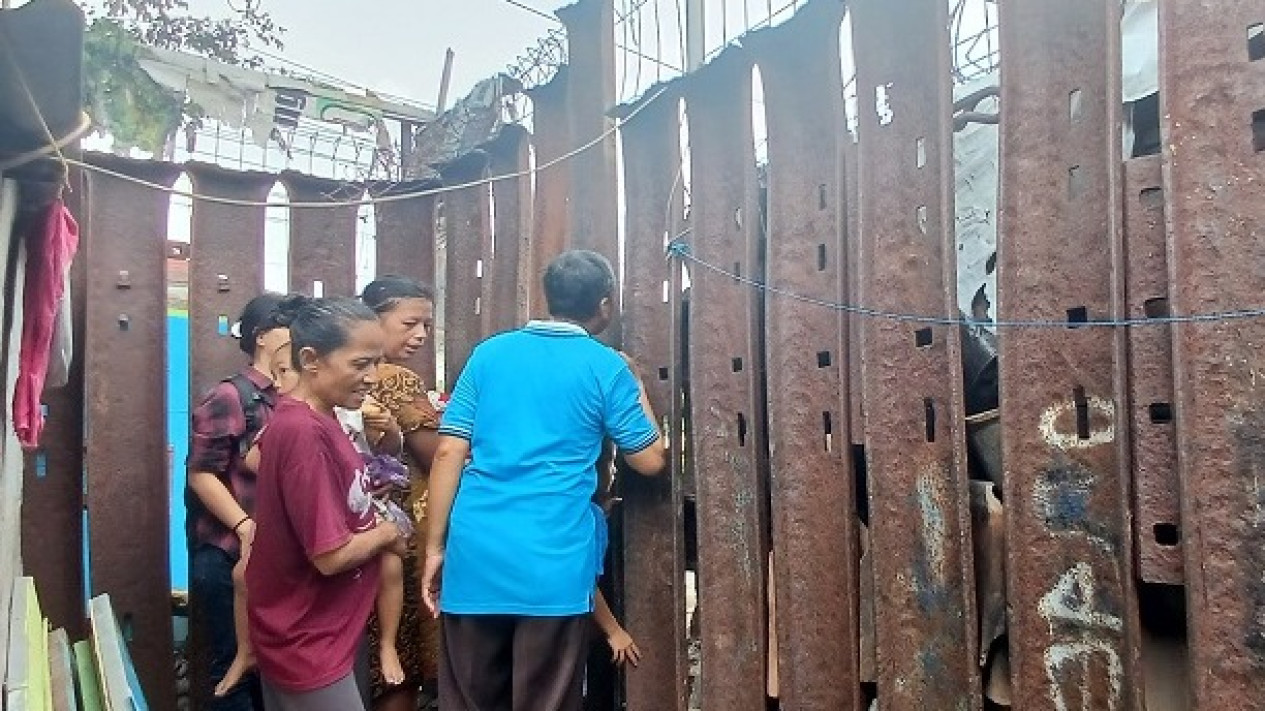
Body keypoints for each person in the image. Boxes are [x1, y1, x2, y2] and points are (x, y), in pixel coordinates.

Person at [421, 249, 667, 711]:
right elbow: (651, 460)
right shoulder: (604, 366)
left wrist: (437, 548)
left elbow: (451, 449)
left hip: (476, 553)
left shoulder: (489, 354)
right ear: (606, 304)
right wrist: (635, 385)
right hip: (552, 563)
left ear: (547, 297)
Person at [213, 338, 410, 701]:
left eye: (375, 364)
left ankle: (386, 644)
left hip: (327, 628)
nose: (371, 377)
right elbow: (330, 556)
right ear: (312, 361)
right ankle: (246, 651)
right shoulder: (302, 431)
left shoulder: (326, 416)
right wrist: (385, 534)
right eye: (360, 363)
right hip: (309, 640)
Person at [186, 292, 291, 711]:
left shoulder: (289, 395)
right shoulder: (232, 396)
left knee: (271, 666)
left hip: (272, 556)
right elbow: (200, 472)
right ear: (263, 337)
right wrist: (244, 526)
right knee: (234, 665)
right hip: (228, 553)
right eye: (289, 325)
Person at [358, 276, 443, 711]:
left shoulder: (345, 375)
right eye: (411, 323)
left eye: (427, 326)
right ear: (374, 319)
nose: (421, 335)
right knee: (399, 663)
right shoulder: (396, 379)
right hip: (400, 533)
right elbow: (436, 454)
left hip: (356, 528)